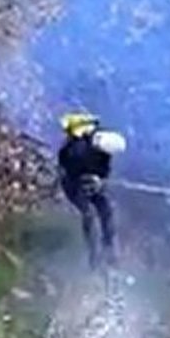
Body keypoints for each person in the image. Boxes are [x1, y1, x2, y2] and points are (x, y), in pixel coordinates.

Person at [57, 113, 127, 269]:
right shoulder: (71, 149)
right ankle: (94, 255)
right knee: (89, 214)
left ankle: (109, 247)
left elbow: (104, 169)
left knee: (107, 210)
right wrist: (85, 180)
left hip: (94, 183)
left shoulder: (102, 151)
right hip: (74, 185)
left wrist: (100, 180)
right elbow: (68, 170)